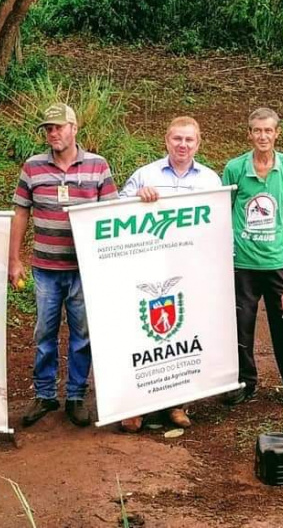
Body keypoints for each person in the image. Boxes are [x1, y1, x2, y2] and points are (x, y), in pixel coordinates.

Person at [9, 103, 118, 428]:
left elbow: (110, 217)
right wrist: (14, 259)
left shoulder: (98, 167)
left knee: (82, 335)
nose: (53, 133)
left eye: (58, 127)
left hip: (84, 270)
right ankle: (44, 394)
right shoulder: (33, 167)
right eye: (48, 129)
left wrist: (108, 263)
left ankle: (75, 396)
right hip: (45, 267)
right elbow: (21, 212)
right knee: (44, 333)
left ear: (74, 128)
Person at [118, 116, 222, 433]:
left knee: (183, 334)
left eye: (189, 140)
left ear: (198, 142)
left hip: (190, 269)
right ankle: (139, 405)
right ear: (166, 139)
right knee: (144, 334)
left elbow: (217, 226)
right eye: (177, 138)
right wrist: (137, 198)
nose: (183, 145)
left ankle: (177, 404)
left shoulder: (210, 180)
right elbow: (114, 209)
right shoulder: (145, 175)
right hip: (149, 267)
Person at [221, 108, 283, 409]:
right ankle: (244, 384)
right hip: (242, 263)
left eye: (268, 131)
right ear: (249, 133)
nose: (262, 136)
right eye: (257, 131)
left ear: (277, 133)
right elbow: (223, 210)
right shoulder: (234, 168)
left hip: (276, 263)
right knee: (240, 325)